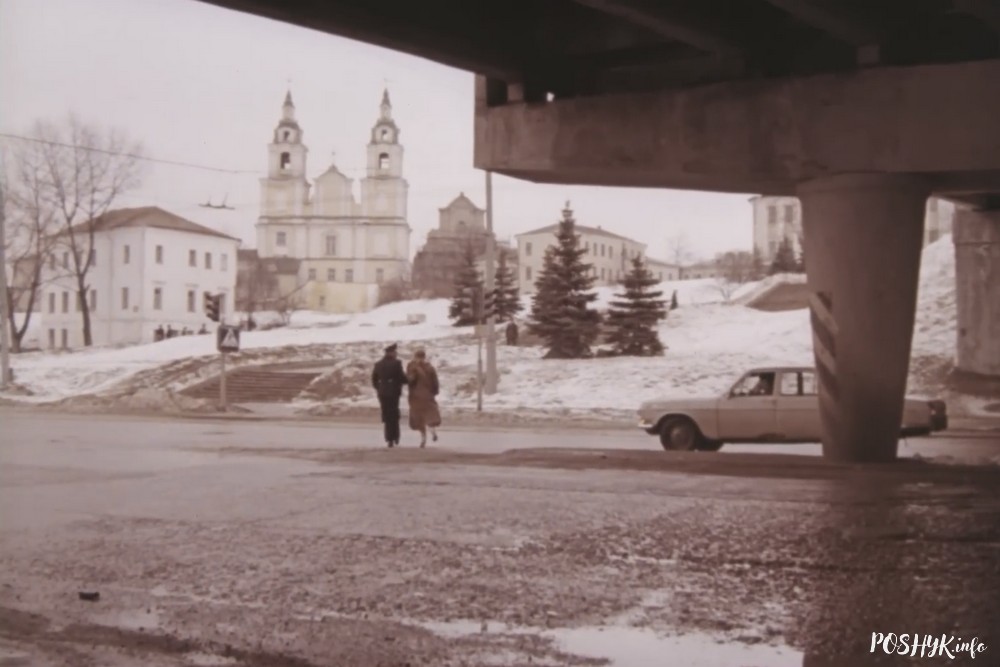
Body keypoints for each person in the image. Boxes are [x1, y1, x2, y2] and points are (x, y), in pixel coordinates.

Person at [372, 343, 408, 447]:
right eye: (395, 352)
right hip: (393, 393)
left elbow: (374, 380)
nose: (396, 354)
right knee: (394, 415)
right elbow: (402, 378)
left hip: (382, 393)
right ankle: (395, 436)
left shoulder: (378, 364)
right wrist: (410, 381)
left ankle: (389, 439)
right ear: (391, 353)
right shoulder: (397, 363)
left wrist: (380, 388)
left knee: (387, 415)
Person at [406, 347, 441, 447]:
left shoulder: (412, 367)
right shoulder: (430, 368)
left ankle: (423, 438)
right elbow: (435, 382)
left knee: (419, 419)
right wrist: (434, 392)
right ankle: (433, 432)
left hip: (416, 397)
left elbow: (410, 381)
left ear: (415, 357)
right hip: (428, 396)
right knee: (430, 416)